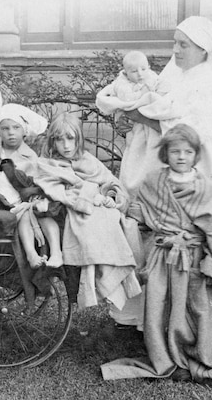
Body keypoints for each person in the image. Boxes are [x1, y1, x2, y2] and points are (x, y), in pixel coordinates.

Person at [114, 15, 212, 329]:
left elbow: (192, 133)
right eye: (175, 43)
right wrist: (129, 119)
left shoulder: (210, 87)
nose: (176, 50)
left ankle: (174, 322)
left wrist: (142, 116)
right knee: (141, 239)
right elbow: (143, 109)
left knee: (172, 248)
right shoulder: (170, 77)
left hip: (180, 180)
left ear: (203, 50)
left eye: (184, 44)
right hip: (147, 171)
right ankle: (139, 318)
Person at [100, 124, 212, 386]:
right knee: (158, 307)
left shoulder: (204, 187)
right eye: (175, 151)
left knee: (196, 308)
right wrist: (124, 214)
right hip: (162, 257)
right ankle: (167, 358)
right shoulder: (154, 181)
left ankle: (193, 355)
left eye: (187, 151)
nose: (181, 156)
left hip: (193, 258)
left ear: (196, 155)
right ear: (166, 153)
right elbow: (139, 213)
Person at [32, 113, 141, 310]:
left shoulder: (87, 160)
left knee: (112, 219)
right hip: (69, 211)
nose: (66, 145)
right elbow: (58, 191)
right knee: (90, 223)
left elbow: (110, 182)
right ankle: (92, 282)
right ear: (52, 141)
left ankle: (109, 280)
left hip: (96, 209)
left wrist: (110, 196)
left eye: (71, 138)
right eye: (59, 139)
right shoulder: (48, 164)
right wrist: (90, 196)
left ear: (79, 139)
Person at [0, 135, 64, 269]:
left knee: (46, 216)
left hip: (29, 204)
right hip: (13, 213)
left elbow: (29, 184)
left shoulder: (11, 174)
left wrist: (37, 198)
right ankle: (31, 254)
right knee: (24, 216)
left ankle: (56, 252)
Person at [95, 50, 169, 194]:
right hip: (135, 129)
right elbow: (123, 101)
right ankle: (131, 195)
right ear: (126, 72)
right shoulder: (122, 84)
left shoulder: (153, 78)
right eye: (134, 71)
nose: (140, 74)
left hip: (153, 127)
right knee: (134, 162)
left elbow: (161, 92)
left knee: (152, 161)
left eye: (144, 69)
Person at [0, 103, 48, 174]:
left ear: (24, 131)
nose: (11, 132)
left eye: (16, 128)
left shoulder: (30, 157)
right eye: (5, 128)